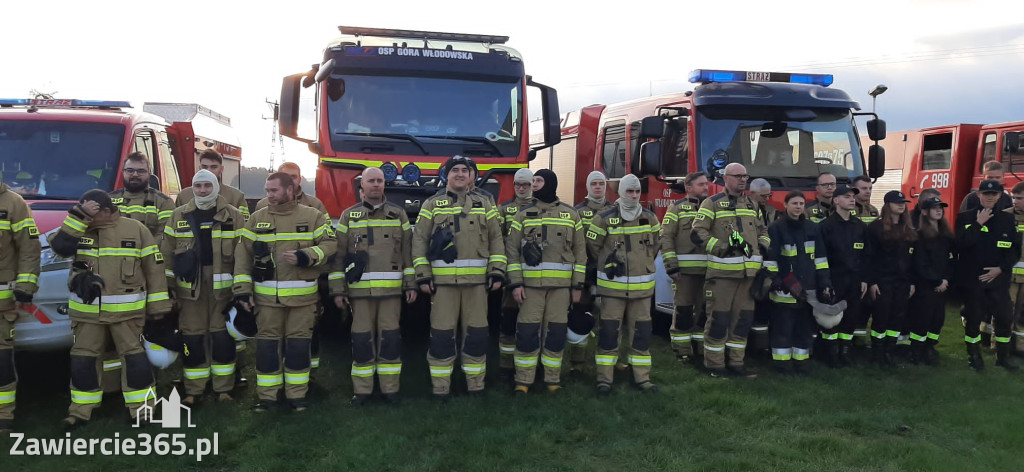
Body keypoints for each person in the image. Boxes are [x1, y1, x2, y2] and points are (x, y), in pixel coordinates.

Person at [49, 190, 171, 429]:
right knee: (83, 361)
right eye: (84, 212)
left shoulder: (135, 229)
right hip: (87, 313)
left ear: (106, 211)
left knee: (135, 361)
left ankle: (142, 410)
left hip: (128, 314)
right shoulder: (77, 225)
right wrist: (79, 217)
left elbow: (154, 269)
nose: (89, 218)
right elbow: (60, 248)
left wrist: (158, 306)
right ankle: (80, 411)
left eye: (92, 213)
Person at [234, 173, 336, 412]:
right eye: (267, 190)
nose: (269, 195)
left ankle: (297, 397)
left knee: (299, 349)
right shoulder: (257, 219)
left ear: (291, 190)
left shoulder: (313, 217)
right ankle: (267, 398)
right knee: (267, 350)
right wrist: (242, 291)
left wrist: (306, 256)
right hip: (266, 302)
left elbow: (331, 245)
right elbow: (242, 257)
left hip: (303, 301)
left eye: (274, 190)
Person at [412, 156, 505, 401]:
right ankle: (441, 388)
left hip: (477, 286)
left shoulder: (485, 203)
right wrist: (423, 275)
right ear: (446, 175)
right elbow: (419, 241)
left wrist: (497, 270)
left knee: (476, 335)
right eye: (455, 170)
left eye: (466, 170)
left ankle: (475, 386)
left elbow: (496, 239)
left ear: (472, 175)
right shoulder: (432, 204)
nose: (461, 174)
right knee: (442, 336)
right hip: (443, 287)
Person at [330, 167, 416, 405]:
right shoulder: (349, 216)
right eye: (371, 181)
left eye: (380, 181)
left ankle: (390, 390)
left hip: (391, 293)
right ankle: (363, 391)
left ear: (384, 185)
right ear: (362, 187)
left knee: (390, 340)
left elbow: (408, 254)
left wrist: (411, 284)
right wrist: (338, 290)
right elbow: (338, 256)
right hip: (359, 294)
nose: (376, 185)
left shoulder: (399, 215)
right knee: (362, 341)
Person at [161, 170, 245, 405]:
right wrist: (169, 287)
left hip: (223, 288)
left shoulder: (233, 216)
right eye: (198, 186)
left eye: (207, 186)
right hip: (189, 288)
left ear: (216, 187)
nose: (202, 191)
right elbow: (166, 253)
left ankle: (224, 388)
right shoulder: (178, 215)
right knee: (192, 338)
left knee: (222, 338)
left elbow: (242, 254)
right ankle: (193, 390)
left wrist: (240, 288)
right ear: (192, 188)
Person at [506, 169, 585, 394]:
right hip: (530, 289)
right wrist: (516, 283)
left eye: (539, 180)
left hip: (560, 290)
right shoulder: (522, 215)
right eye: (534, 180)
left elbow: (581, 254)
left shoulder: (571, 215)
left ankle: (552, 380)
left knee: (555, 333)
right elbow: (511, 252)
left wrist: (577, 285)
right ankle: (523, 381)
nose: (534, 183)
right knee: (528, 333)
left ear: (550, 182)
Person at [692, 163, 770, 378]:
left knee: (742, 322)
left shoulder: (752, 205)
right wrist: (719, 248)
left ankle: (736, 364)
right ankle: (715, 367)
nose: (743, 180)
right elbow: (698, 232)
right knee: (718, 320)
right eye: (737, 176)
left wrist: (762, 245)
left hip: (749, 276)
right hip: (722, 276)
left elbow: (763, 229)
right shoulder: (712, 203)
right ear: (725, 178)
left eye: (745, 176)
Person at [586, 174, 660, 394]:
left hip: (642, 292)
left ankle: (642, 378)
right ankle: (604, 379)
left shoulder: (650, 218)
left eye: (637, 191)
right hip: (612, 290)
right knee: (609, 334)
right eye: (630, 191)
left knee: (641, 334)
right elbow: (593, 247)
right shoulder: (604, 218)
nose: (634, 196)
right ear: (620, 192)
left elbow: (655, 246)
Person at [254, 162, 329, 372]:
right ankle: (271, 395)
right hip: (270, 293)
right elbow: (248, 251)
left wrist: (308, 258)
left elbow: (329, 243)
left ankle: (308, 380)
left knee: (304, 339)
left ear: (298, 180)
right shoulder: (261, 209)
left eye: (294, 177)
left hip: (305, 288)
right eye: (286, 176)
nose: (291, 180)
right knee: (270, 344)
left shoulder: (314, 207)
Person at [955, 180, 1019, 372]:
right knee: (973, 320)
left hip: (998, 280)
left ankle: (1003, 358)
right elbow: (962, 245)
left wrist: (1000, 268)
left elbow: (1014, 250)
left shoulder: (1007, 219)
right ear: (978, 195)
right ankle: (974, 357)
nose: (990, 197)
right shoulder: (965, 218)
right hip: (975, 280)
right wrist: (978, 223)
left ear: (1000, 196)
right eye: (986, 193)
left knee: (1004, 318)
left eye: (994, 194)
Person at [767, 191, 832, 375]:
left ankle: (801, 364)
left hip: (808, 290)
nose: (798, 207)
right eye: (794, 203)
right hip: (784, 291)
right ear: (785, 205)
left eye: (801, 203)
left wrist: (824, 282)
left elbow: (820, 259)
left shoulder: (813, 228)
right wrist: (778, 281)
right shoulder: (776, 228)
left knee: (804, 329)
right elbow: (772, 260)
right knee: (783, 329)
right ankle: (782, 365)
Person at [0, 181, 40, 433]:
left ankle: (3, 415)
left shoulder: (13, 203)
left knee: (1, 359)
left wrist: (26, 285)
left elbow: (29, 248)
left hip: (2, 300)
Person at [566, 171, 614, 373]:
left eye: (601, 183)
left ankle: (607, 362)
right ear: (587, 186)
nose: (597, 187)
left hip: (610, 273)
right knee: (581, 316)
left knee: (610, 319)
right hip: (585, 274)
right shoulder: (577, 211)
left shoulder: (615, 210)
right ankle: (577, 363)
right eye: (593, 183)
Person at [660, 172, 710, 363]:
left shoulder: (711, 207)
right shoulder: (677, 208)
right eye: (701, 184)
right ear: (688, 187)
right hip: (685, 273)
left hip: (709, 271)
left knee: (704, 312)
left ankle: (700, 349)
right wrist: (671, 266)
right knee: (683, 312)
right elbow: (666, 237)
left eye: (706, 184)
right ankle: (682, 351)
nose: (705, 187)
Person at [818, 184, 869, 367]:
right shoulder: (825, 227)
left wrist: (864, 279)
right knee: (831, 319)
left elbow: (866, 256)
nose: (852, 199)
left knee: (851, 317)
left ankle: (845, 352)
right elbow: (820, 257)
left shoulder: (860, 227)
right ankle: (830, 354)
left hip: (854, 281)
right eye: (847, 196)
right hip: (834, 279)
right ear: (836, 200)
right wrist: (824, 282)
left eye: (853, 196)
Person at [866, 190, 917, 367]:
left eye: (903, 202)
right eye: (897, 202)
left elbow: (911, 259)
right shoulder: (875, 228)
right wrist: (872, 282)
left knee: (897, 317)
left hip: (902, 282)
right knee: (881, 317)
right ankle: (877, 352)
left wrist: (911, 282)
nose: (901, 205)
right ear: (887, 205)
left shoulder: (908, 229)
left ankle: (889, 351)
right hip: (883, 281)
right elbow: (869, 258)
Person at [496, 168, 534, 376]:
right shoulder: (504, 209)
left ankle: (529, 365)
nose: (521, 188)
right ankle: (505, 366)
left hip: (536, 275)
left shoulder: (542, 208)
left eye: (525, 185)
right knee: (509, 320)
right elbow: (497, 240)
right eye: (518, 185)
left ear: (532, 186)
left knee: (531, 322)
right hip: (512, 273)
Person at [909, 196, 955, 366]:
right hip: (925, 287)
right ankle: (916, 351)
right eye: (934, 207)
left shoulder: (946, 236)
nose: (939, 210)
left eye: (940, 207)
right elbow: (920, 264)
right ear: (924, 212)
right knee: (922, 319)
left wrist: (945, 280)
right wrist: (936, 281)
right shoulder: (919, 236)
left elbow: (951, 260)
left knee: (938, 320)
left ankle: (930, 348)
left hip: (942, 286)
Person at [109, 152, 176, 239]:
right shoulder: (109, 200)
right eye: (130, 170)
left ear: (149, 174)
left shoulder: (163, 202)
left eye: (141, 171)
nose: (135, 174)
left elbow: (165, 236)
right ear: (123, 172)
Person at [747, 177, 778, 351]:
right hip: (747, 263)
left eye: (769, 195)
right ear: (751, 193)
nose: (767, 199)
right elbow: (734, 236)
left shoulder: (772, 211)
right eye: (763, 196)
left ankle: (762, 347)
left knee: (765, 305)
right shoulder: (743, 209)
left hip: (768, 263)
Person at [176, 149, 250, 220]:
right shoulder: (183, 196)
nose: (208, 171)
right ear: (199, 168)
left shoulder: (236, 196)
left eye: (213, 167)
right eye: (204, 167)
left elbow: (244, 224)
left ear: (221, 169)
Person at [1008, 182, 1024, 357]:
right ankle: (999, 345)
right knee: (1006, 311)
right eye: (1013, 198)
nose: (1015, 201)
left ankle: (1019, 347)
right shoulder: (1006, 217)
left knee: (1020, 314)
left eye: (1019, 198)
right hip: (1008, 276)